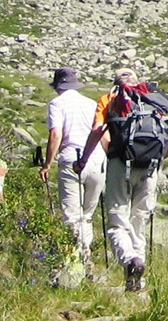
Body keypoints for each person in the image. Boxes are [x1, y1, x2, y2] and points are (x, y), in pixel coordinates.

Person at [77, 67, 168, 292]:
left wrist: (84, 159)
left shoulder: (110, 99)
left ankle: (130, 260)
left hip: (120, 165)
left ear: (116, 83)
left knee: (117, 222)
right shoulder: (154, 101)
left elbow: (97, 129)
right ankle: (137, 282)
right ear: (137, 80)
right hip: (151, 168)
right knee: (139, 222)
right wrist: (156, 161)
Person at [39, 67, 106, 274]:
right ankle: (87, 259)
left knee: (71, 214)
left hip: (71, 159)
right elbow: (101, 133)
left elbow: (56, 134)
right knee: (87, 214)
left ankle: (75, 262)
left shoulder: (57, 104)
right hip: (96, 160)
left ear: (58, 87)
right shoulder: (91, 103)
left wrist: (47, 164)